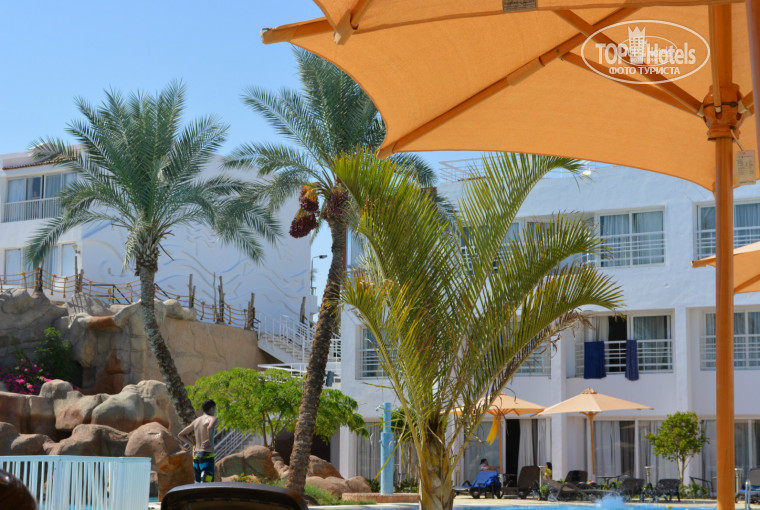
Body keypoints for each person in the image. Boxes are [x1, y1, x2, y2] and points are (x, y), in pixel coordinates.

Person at [178, 399, 218, 483]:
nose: (215, 411)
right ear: (211, 409)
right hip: (207, 455)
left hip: (196, 455)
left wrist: (193, 445)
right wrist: (209, 440)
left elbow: (181, 435)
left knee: (197, 483)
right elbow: (209, 428)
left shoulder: (196, 421)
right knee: (207, 484)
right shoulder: (212, 418)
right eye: (215, 409)